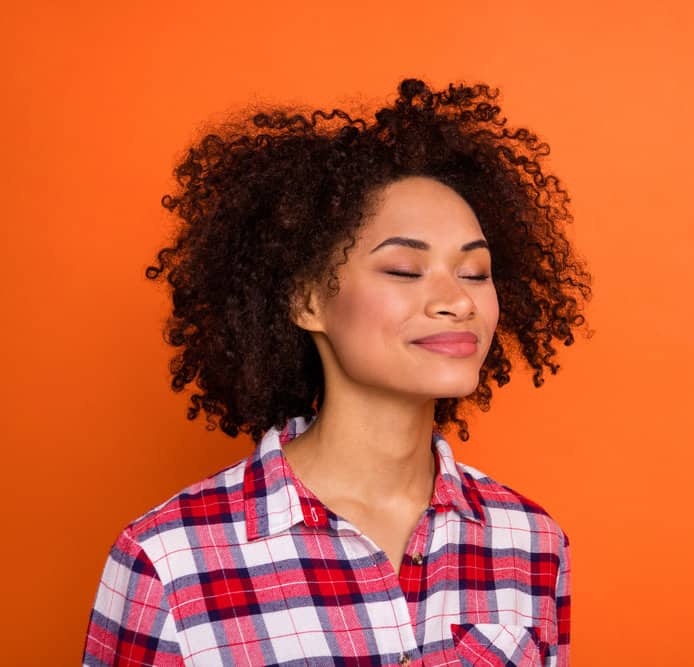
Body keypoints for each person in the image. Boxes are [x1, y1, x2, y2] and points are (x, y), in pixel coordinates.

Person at [83, 78, 592, 666]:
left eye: (475, 273)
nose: (458, 301)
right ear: (306, 302)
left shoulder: (530, 542)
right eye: (405, 269)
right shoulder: (169, 561)